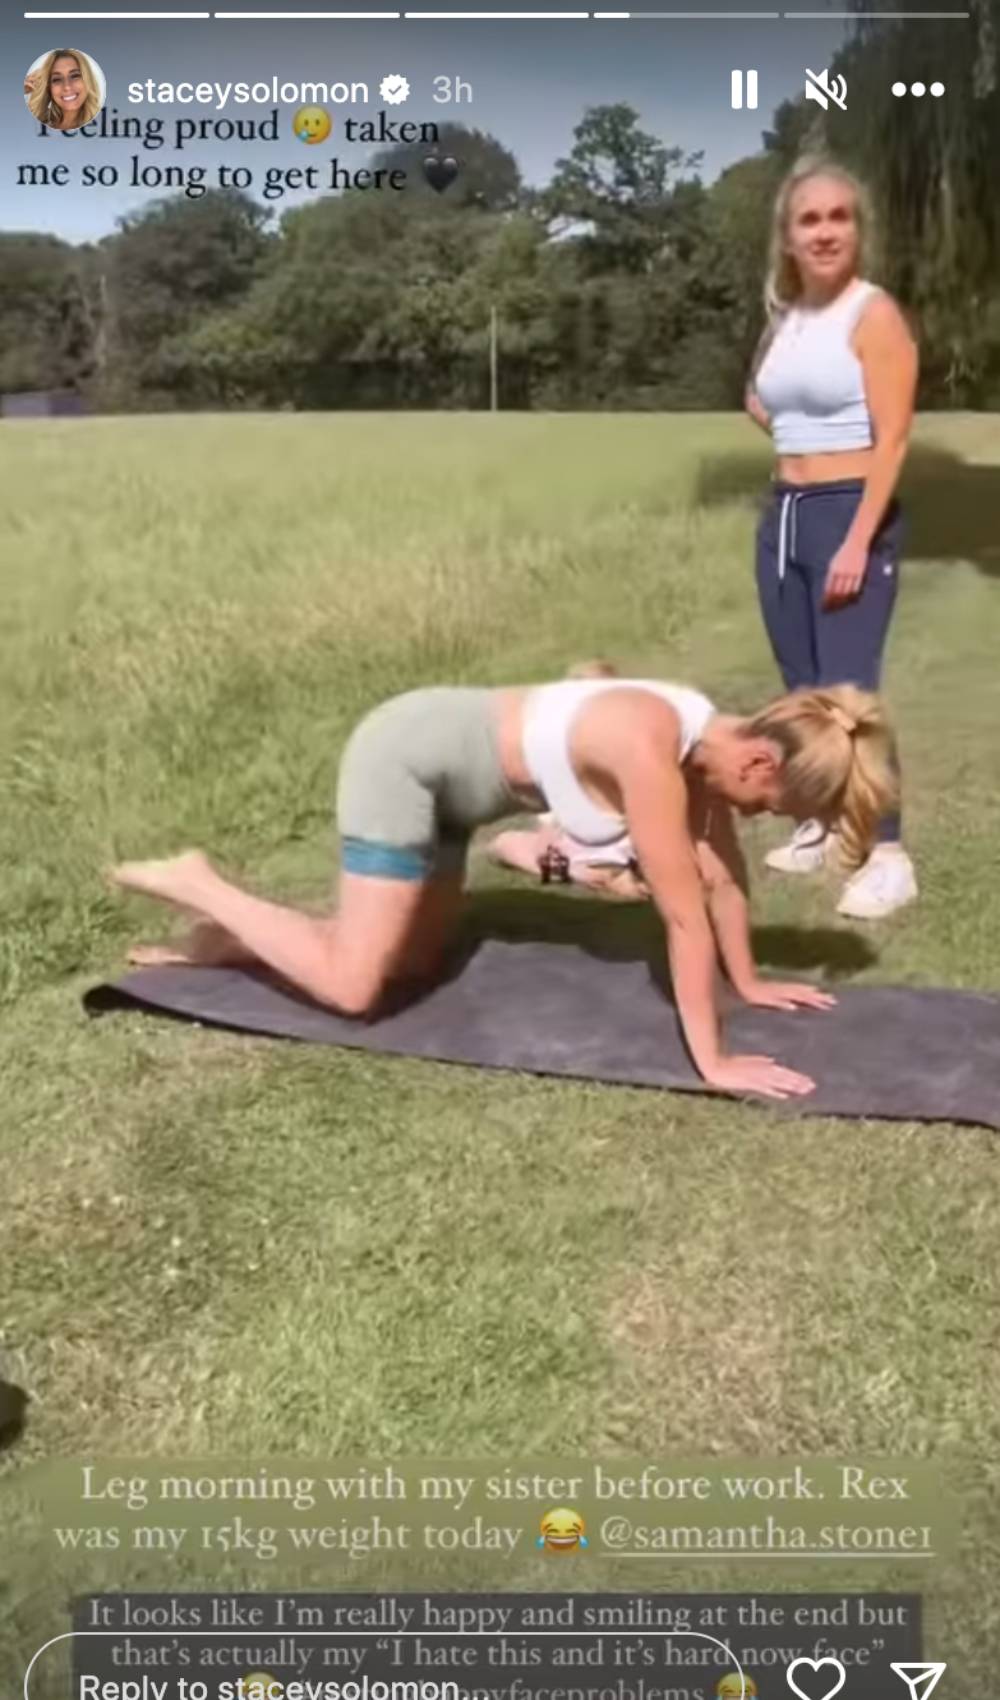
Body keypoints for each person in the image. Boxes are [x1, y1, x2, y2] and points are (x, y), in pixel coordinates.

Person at [112, 674, 898, 1102]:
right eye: (770, 806)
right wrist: (716, 1060)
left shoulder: (706, 737)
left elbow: (721, 880)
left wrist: (751, 982)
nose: (755, 815)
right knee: (356, 990)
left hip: (460, 795)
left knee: (412, 973)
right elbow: (684, 917)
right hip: (404, 761)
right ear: (760, 764)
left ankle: (224, 944)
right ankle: (202, 884)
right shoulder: (651, 748)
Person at [745, 156, 918, 920]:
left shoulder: (872, 313)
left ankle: (887, 851)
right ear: (787, 236)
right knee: (802, 692)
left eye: (838, 217)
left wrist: (856, 538)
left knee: (849, 696)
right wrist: (792, 437)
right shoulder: (787, 319)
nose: (824, 231)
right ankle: (821, 819)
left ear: (858, 230)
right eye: (809, 219)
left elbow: (894, 439)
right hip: (784, 512)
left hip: (850, 509)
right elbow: (760, 397)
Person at [488, 661, 649, 901]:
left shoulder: (557, 754)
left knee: (506, 844)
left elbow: (549, 834)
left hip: (598, 848)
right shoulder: (629, 743)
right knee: (503, 843)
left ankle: (598, 873)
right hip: (614, 846)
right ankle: (611, 874)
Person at [24, 49, 102, 131]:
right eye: (57, 79)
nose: (67, 87)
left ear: (88, 80)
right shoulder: (38, 124)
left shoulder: (103, 126)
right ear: (48, 87)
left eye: (75, 76)